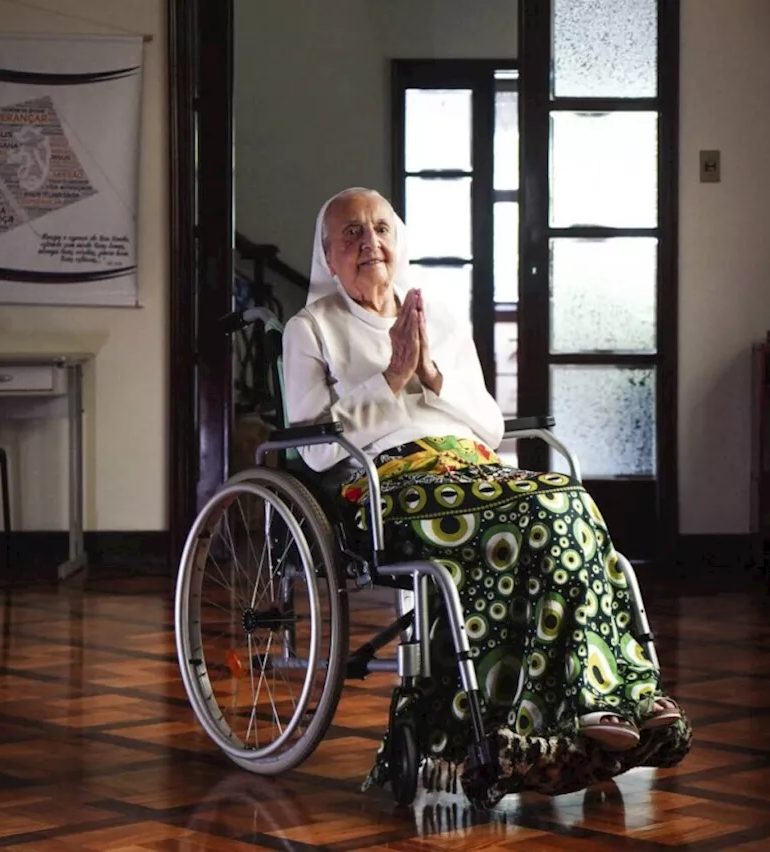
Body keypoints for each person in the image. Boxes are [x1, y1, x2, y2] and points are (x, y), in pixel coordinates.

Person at [281, 187, 690, 805]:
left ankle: (614, 697)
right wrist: (391, 376)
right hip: (388, 485)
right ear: (328, 258)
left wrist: (432, 376)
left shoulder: (439, 316)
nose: (370, 242)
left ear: (400, 240)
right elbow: (314, 448)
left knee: (563, 500)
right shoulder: (310, 328)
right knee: (537, 509)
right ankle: (546, 718)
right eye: (352, 234)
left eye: (381, 228)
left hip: (470, 470)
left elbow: (490, 426)